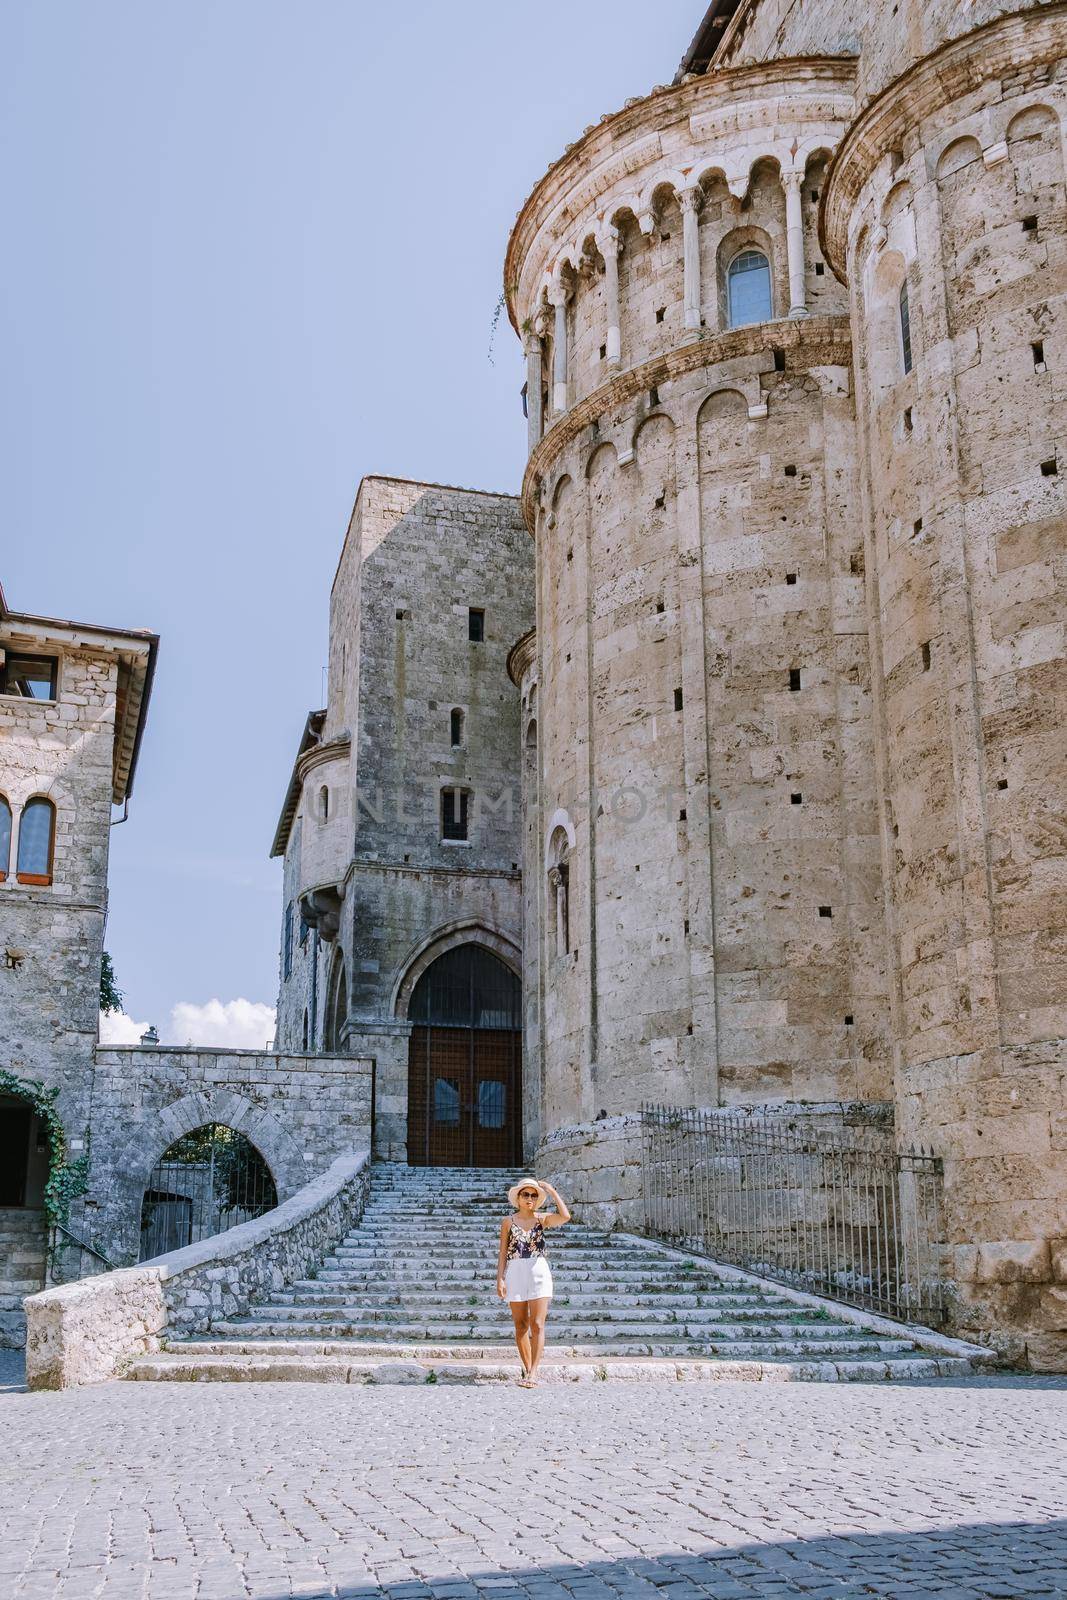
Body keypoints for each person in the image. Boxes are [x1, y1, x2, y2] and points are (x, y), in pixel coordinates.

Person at [496, 1177, 571, 1387]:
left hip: (538, 1271)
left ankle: (534, 1372)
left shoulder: (542, 1219)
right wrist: (500, 1279)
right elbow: (502, 1253)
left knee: (538, 1324)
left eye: (534, 1195)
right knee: (520, 1326)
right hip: (515, 1271)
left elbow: (565, 1216)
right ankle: (528, 1370)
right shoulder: (508, 1222)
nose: (529, 1198)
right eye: (526, 1194)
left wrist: (552, 1191)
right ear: (518, 1198)